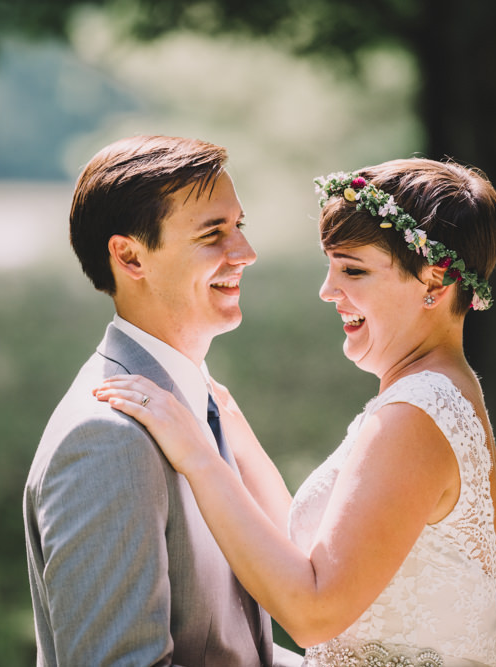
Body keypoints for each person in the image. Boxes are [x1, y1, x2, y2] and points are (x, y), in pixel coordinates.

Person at [95, 158, 496, 667]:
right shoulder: (436, 395)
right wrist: (229, 425)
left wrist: (199, 457)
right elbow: (305, 553)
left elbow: (314, 614)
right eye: (331, 266)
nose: (328, 290)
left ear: (435, 281)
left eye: (353, 270)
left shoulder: (417, 414)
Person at [23, 135, 304, 666]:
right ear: (130, 256)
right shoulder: (106, 439)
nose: (245, 252)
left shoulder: (197, 400)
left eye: (238, 226)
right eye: (212, 233)